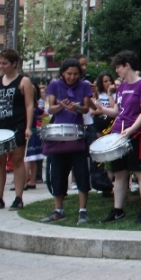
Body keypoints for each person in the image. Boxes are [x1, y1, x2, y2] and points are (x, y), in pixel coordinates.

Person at [91, 51, 141, 224]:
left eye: (118, 67)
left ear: (127, 65)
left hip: (136, 135)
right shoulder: (121, 87)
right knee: (119, 174)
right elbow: (119, 112)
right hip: (119, 134)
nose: (116, 71)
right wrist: (102, 110)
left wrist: (133, 129)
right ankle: (117, 210)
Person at [39, 58, 93, 224]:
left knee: (82, 173)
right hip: (58, 135)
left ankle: (83, 210)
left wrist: (76, 107)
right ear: (63, 72)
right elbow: (50, 108)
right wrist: (61, 105)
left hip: (76, 134)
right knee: (57, 173)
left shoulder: (84, 86)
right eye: (69, 74)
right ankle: (58, 209)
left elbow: (86, 108)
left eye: (76, 74)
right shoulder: (55, 85)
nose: (72, 77)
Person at [0, 49, 34, 212]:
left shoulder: (23, 82)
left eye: (5, 63)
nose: (2, 66)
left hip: (16, 126)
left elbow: (29, 105)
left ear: (14, 63)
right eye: (0, 63)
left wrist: (28, 127)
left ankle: (18, 197)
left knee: (17, 161)